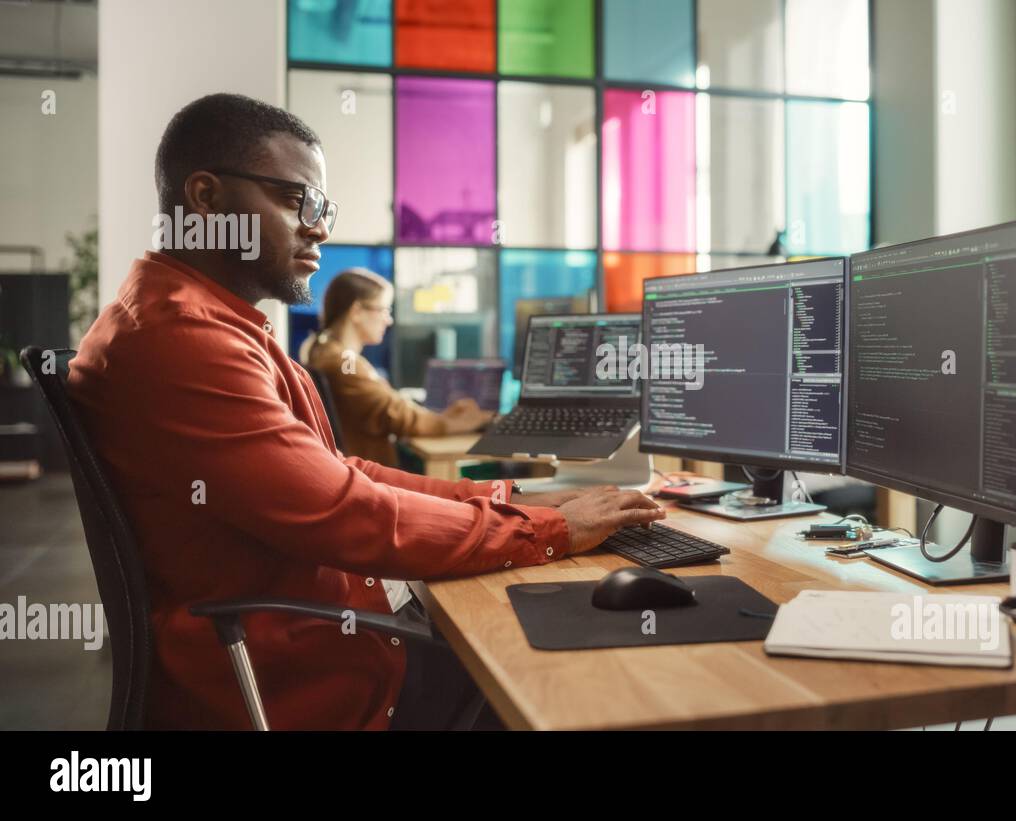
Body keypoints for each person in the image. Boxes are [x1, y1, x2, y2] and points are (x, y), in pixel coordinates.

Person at [67, 92, 664, 730]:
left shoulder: (210, 321)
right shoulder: (183, 339)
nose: (320, 227)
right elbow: (346, 511)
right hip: (307, 678)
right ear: (207, 198)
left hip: (312, 636)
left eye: (323, 207)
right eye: (298, 200)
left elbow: (343, 472)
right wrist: (547, 533)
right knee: (571, 670)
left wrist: (511, 496)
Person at [299, 268, 493, 466]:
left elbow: (386, 404)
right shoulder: (343, 363)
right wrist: (466, 422)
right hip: (370, 478)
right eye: (383, 310)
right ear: (356, 311)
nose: (388, 320)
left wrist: (442, 416)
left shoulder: (323, 350)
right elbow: (398, 416)